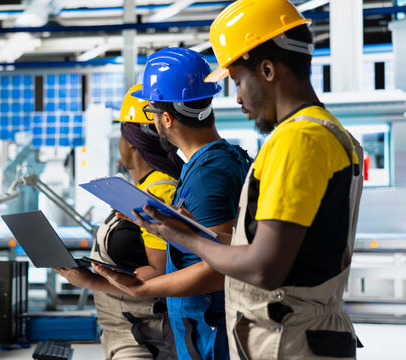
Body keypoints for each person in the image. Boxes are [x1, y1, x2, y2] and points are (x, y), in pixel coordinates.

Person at [125, 1, 365, 359]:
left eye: (237, 80)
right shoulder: (328, 132)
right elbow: (283, 248)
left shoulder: (298, 140)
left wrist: (184, 237)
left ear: (266, 69)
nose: (236, 97)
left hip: (288, 340)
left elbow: (264, 267)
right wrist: (198, 233)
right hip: (301, 334)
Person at [95, 47, 252, 360]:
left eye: (152, 113)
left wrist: (141, 289)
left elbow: (219, 268)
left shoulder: (208, 173)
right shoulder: (219, 160)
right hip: (204, 326)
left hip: (209, 331)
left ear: (166, 119)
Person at [56, 84, 182, 360]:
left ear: (133, 143)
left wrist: (90, 280)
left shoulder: (159, 191)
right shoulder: (143, 187)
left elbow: (160, 275)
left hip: (144, 338)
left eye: (122, 136)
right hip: (124, 331)